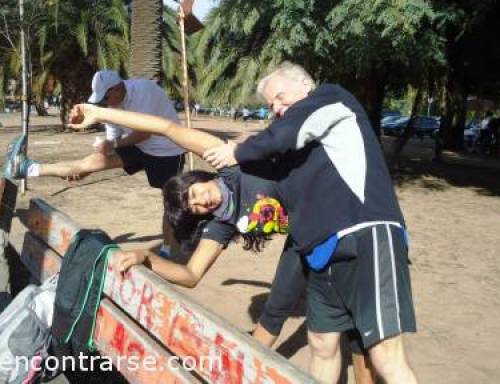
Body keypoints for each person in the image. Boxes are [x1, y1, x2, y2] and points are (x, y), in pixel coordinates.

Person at [68, 103, 378, 384]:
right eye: (195, 209)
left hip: (342, 219)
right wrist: (145, 258)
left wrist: (100, 113)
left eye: (194, 193)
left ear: (197, 179)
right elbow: (191, 275)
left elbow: (167, 128)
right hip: (305, 241)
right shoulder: (222, 223)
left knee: (357, 329)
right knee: (275, 309)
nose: (201, 201)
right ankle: (246, 373)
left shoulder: (232, 166)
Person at [203, 61, 417, 384]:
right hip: (320, 252)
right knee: (321, 344)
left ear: (305, 84)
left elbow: (282, 135)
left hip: (366, 234)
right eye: (270, 105)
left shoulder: (332, 98)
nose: (275, 108)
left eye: (278, 96)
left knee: (386, 354)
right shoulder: (297, 148)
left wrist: (239, 150)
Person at [3, 70, 184, 189]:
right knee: (87, 162)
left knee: (170, 202)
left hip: (167, 151)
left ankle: (167, 249)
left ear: (116, 89)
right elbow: (114, 140)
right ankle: (26, 168)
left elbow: (144, 133)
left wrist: (112, 144)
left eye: (105, 98)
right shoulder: (111, 107)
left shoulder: (144, 90)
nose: (103, 104)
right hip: (141, 147)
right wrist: (87, 170)